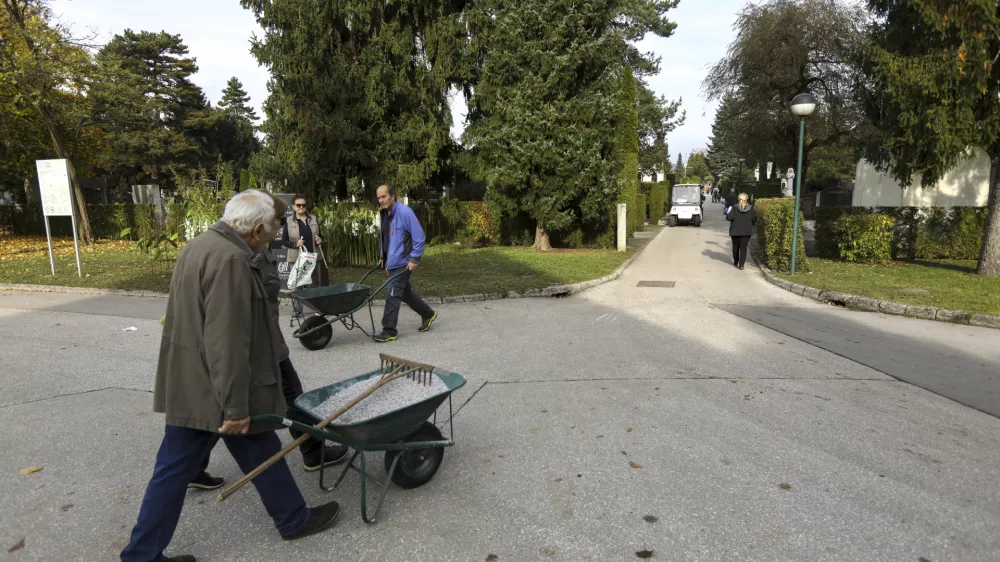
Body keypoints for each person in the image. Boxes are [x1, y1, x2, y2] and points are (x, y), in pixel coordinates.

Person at [121, 191, 340, 562]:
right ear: (256, 228)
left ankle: (291, 518)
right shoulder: (233, 261)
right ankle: (292, 519)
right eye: (272, 229)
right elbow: (228, 341)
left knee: (199, 461)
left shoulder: (201, 244)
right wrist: (235, 406)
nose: (274, 235)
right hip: (217, 388)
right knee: (236, 443)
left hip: (193, 380)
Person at [187, 197, 348, 492]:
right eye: (277, 221)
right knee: (288, 397)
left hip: (261, 337)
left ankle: (192, 466)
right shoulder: (240, 253)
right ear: (259, 224)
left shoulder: (237, 246)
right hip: (261, 342)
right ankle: (313, 452)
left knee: (220, 406)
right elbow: (236, 315)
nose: (279, 228)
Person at [373, 184, 437, 343]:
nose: (381, 200)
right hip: (393, 262)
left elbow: (419, 237)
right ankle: (428, 314)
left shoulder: (405, 213)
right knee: (404, 293)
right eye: (379, 198)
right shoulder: (385, 214)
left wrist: (415, 258)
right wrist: (384, 257)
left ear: (393, 196)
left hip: (404, 262)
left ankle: (389, 330)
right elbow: (386, 237)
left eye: (384, 196)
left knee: (392, 294)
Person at [281, 193, 323, 287]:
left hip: (312, 259)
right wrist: (295, 244)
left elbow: (321, 236)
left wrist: (320, 240)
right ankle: (298, 302)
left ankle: (311, 302)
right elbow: (284, 241)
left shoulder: (314, 219)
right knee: (297, 288)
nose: (301, 207)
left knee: (313, 287)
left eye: (303, 205)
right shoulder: (288, 221)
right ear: (293, 206)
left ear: (306, 206)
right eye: (298, 205)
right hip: (296, 259)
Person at [726, 192, 757, 270]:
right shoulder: (750, 208)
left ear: (738, 199)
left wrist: (728, 212)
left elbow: (729, 218)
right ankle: (741, 265)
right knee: (743, 248)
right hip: (746, 232)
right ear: (747, 200)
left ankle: (736, 261)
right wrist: (752, 224)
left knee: (735, 247)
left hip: (735, 231)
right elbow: (754, 218)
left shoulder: (734, 207)